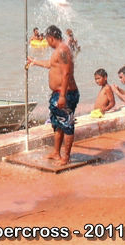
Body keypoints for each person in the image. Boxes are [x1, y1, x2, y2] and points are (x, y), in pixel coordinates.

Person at [26, 25, 79, 165]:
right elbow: (50, 64)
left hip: (66, 94)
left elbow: (66, 73)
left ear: (50, 38)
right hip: (58, 93)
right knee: (57, 123)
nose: (47, 43)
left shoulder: (62, 50)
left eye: (47, 40)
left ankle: (66, 157)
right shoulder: (58, 51)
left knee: (67, 124)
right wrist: (34, 62)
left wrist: (62, 96)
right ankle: (56, 152)